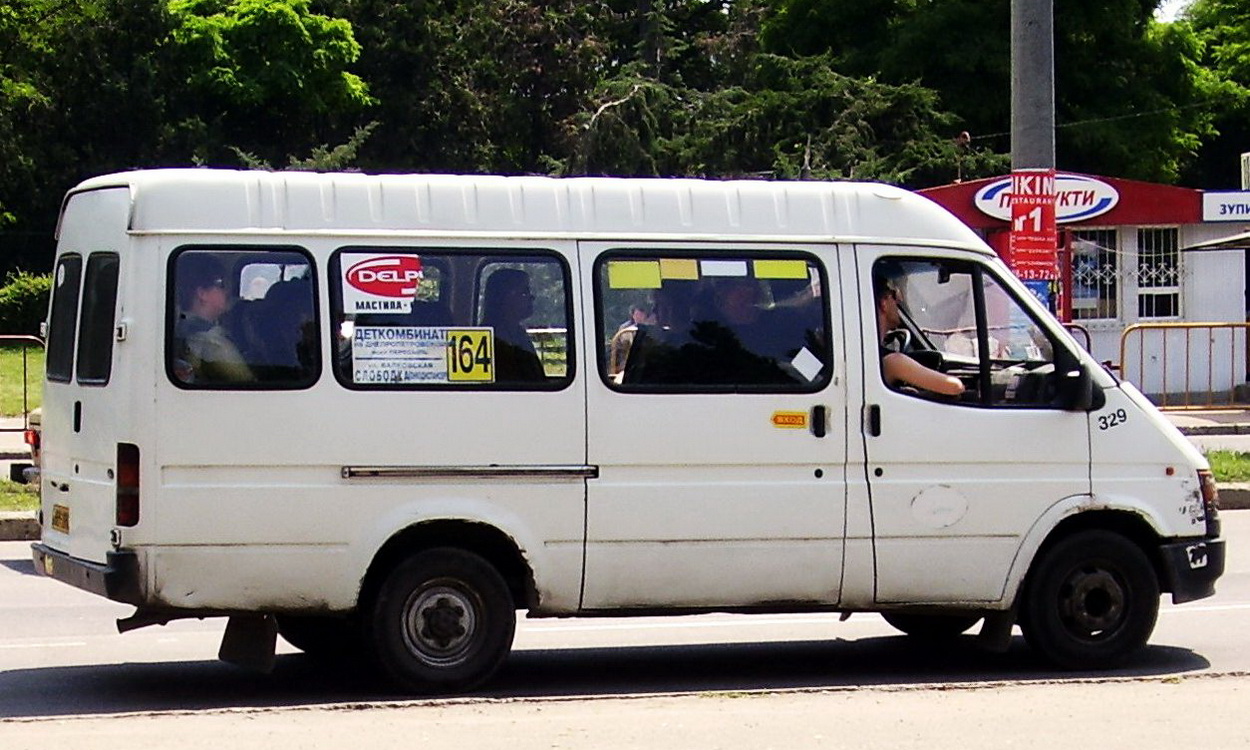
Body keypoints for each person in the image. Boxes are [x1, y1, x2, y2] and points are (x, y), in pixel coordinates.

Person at [874, 272, 964, 397]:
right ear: (883, 303)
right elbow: (954, 387)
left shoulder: (871, 354)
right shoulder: (892, 362)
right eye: (894, 295)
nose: (899, 299)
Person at [173, 254, 255, 384]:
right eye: (221, 284)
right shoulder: (212, 342)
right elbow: (247, 382)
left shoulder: (181, 328)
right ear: (202, 293)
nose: (228, 290)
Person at [481, 268, 546, 382]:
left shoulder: (517, 333)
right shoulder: (491, 340)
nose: (532, 297)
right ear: (504, 297)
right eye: (524, 292)